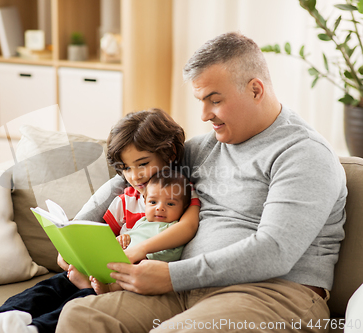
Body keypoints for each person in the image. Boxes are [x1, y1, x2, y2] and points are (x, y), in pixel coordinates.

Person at [56, 32, 347, 333]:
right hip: (189, 289)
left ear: (256, 90)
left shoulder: (304, 154)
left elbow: (274, 251)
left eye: (215, 100)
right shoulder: (205, 148)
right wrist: (74, 232)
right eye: (200, 101)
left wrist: (172, 276)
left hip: (273, 294)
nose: (204, 114)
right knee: (81, 316)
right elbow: (132, 182)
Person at [0, 108, 200, 333]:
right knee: (51, 286)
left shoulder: (179, 194)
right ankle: (0, 320)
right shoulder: (125, 198)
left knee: (83, 299)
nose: (134, 176)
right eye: (125, 168)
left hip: (132, 277)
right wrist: (70, 247)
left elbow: (187, 226)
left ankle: (35, 329)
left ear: (170, 153)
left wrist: (137, 250)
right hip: (104, 267)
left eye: (142, 164)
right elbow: (97, 230)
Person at [91, 170, 194, 294]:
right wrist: (123, 239)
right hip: (124, 258)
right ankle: (89, 281)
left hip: (143, 266)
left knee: (131, 271)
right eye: (153, 202)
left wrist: (146, 257)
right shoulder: (142, 221)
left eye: (170, 203)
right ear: (145, 201)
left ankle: (110, 289)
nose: (159, 207)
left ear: (184, 207)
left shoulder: (172, 229)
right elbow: (132, 236)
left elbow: (173, 253)